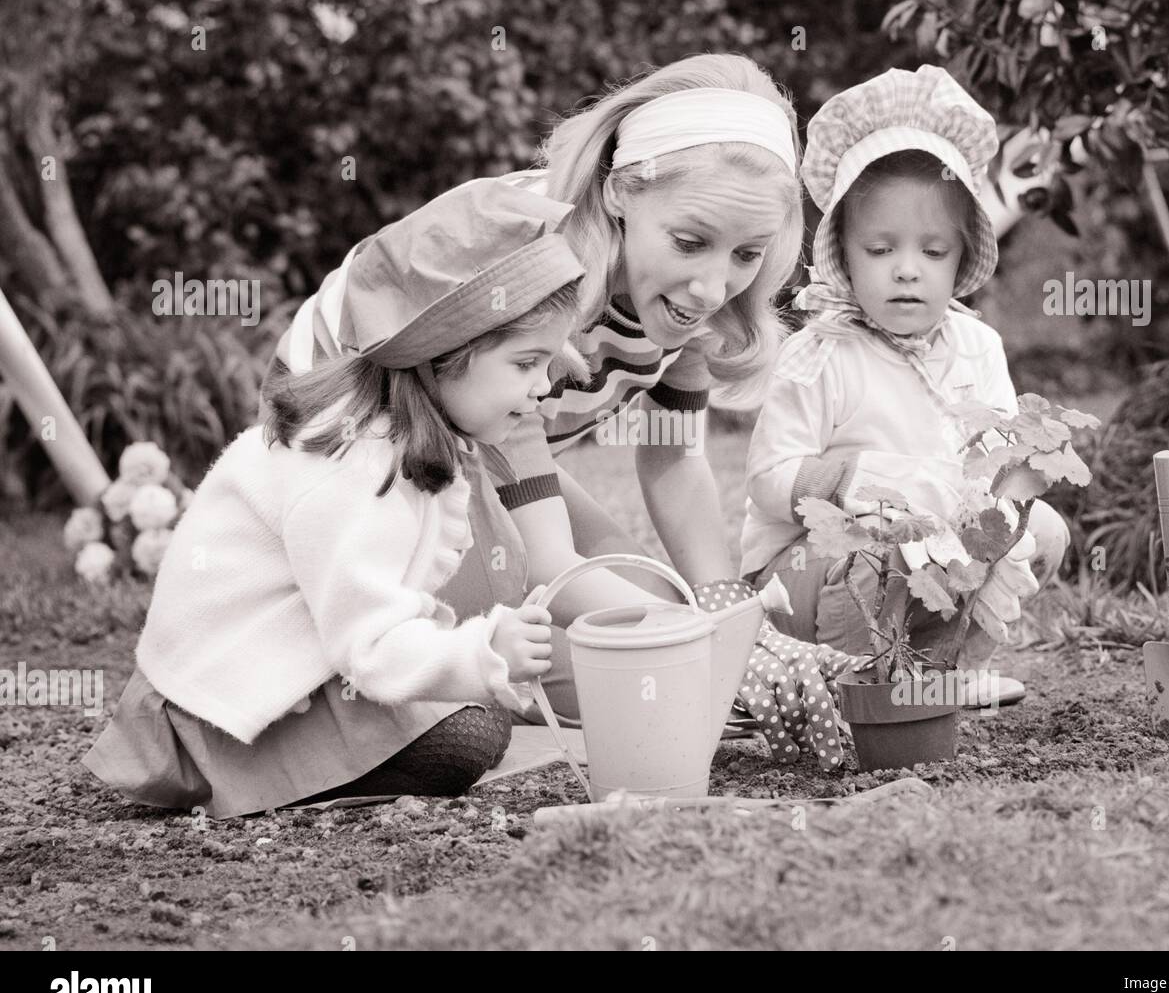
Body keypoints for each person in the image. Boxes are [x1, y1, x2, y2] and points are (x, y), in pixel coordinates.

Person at [273, 54, 870, 770]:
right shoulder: (532, 266)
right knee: (587, 628)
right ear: (622, 191)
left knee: (648, 603)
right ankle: (374, 673)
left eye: (747, 253)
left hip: (480, 455)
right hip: (363, 450)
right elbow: (547, 557)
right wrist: (709, 650)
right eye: (689, 242)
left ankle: (531, 675)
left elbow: (676, 461)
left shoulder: (690, 304)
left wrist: (731, 621)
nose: (713, 285)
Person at [83, 179, 586, 818]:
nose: (542, 388)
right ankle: (288, 778)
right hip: (228, 705)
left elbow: (386, 606)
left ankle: (357, 752)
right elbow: (370, 645)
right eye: (526, 364)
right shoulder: (357, 462)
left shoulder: (395, 434)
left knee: (470, 714)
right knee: (469, 736)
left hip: (291, 673)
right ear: (443, 355)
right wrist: (482, 652)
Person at [741, 66, 1071, 705]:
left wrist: (1007, 490)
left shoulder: (976, 346)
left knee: (1040, 526)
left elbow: (998, 460)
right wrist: (862, 482)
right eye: (880, 250)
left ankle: (948, 665)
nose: (907, 271)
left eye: (933, 251)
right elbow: (768, 481)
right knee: (883, 552)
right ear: (841, 250)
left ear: (964, 255)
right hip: (809, 576)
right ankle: (853, 680)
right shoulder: (820, 354)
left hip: (934, 554)